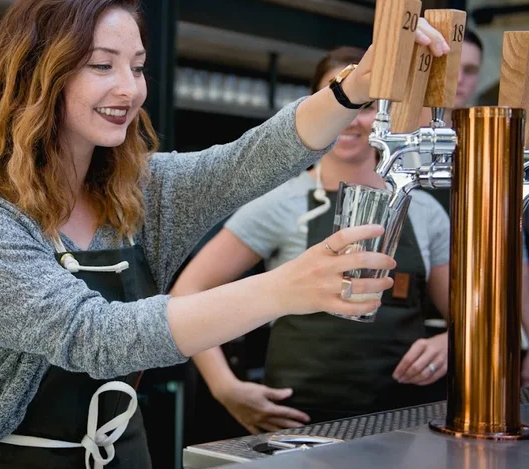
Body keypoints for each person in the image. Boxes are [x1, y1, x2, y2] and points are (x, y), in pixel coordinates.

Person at [0, 0, 449, 469]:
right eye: (102, 65)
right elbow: (95, 336)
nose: (129, 89)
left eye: (137, 67)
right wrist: (284, 289)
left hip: (125, 467)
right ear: (37, 75)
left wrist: (353, 89)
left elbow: (247, 161)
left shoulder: (138, 193)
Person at [170, 47, 453, 432]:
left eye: (367, 106)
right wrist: (225, 387)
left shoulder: (422, 210)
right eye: (343, 99)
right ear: (318, 106)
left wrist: (449, 343)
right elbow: (188, 290)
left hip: (404, 424)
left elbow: (465, 318)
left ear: (385, 114)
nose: (352, 118)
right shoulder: (279, 200)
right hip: (300, 427)